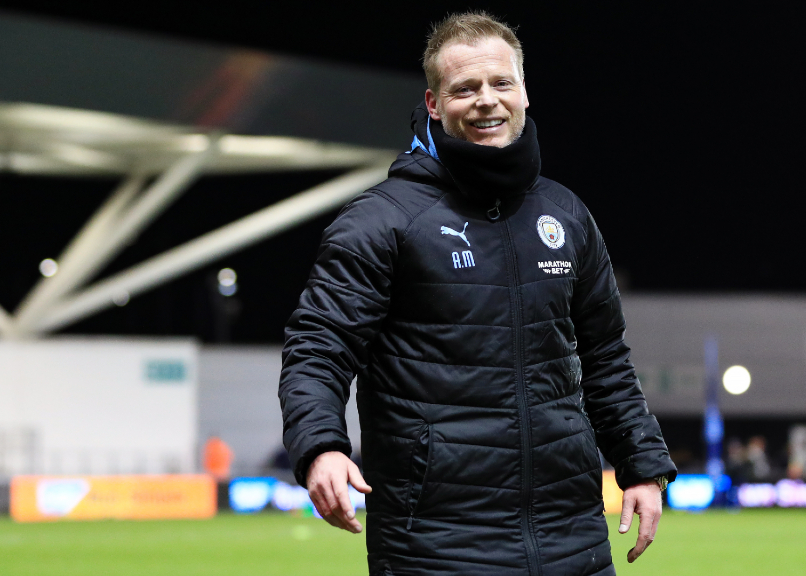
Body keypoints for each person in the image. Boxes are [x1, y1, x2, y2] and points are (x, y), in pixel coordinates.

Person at [278, 12, 676, 575]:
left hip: (573, 541)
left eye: (500, 83)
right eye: (464, 88)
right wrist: (321, 446)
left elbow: (606, 357)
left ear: (524, 92)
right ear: (435, 104)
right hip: (436, 549)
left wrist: (640, 464)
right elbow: (317, 350)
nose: (486, 100)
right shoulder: (379, 222)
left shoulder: (566, 214)